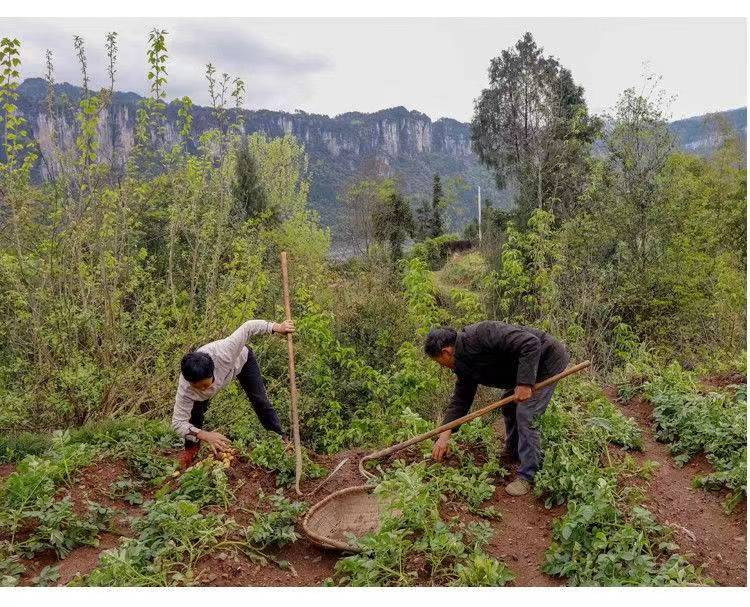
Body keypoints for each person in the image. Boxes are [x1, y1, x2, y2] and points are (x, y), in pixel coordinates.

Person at [424, 321, 569, 496]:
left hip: (546, 359)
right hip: (525, 366)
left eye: (441, 363)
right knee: (509, 404)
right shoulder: (463, 364)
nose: (443, 367)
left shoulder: (482, 334)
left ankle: (528, 476)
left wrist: (524, 383)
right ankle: (513, 452)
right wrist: (444, 434)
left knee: (526, 413)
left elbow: (530, 343)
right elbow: (461, 400)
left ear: (446, 352)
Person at [172, 318, 295, 468]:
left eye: (205, 385)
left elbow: (249, 327)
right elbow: (177, 423)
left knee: (260, 401)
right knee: (194, 416)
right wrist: (205, 435)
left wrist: (277, 327)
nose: (204, 389)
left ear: (213, 371)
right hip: (197, 400)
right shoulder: (186, 390)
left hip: (243, 362)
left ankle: (281, 439)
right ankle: (190, 450)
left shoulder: (225, 352)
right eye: (197, 387)